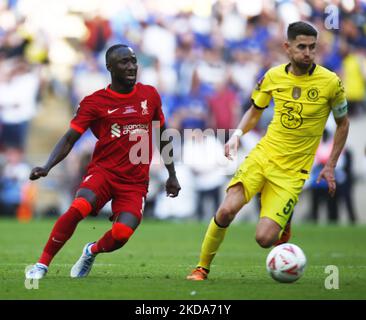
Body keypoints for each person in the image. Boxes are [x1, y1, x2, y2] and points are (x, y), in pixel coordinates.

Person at [187, 21, 349, 280]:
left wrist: (330, 165)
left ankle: (283, 224)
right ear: (287, 47)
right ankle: (202, 267)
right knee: (226, 210)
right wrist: (237, 135)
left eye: (312, 47)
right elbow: (254, 111)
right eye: (301, 47)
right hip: (264, 156)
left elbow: (343, 124)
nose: (307, 52)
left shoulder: (331, 83)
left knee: (264, 239)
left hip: (293, 171)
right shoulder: (272, 76)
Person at [26, 44, 181, 280]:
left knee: (121, 234)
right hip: (104, 172)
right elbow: (70, 138)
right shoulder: (95, 102)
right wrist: (47, 166)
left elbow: (162, 134)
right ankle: (42, 265)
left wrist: (172, 174)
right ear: (110, 67)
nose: (131, 67)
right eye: (124, 62)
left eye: (133, 61)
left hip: (135, 181)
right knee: (79, 206)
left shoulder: (149, 95)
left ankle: (91, 250)